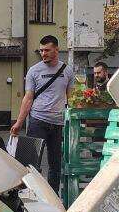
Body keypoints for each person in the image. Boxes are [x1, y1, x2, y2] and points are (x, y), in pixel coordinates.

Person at [10, 35, 76, 194]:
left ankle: (52, 196)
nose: (43, 53)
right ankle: (31, 194)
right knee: (32, 163)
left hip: (58, 123)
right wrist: (19, 122)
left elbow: (71, 97)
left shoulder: (67, 70)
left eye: (47, 50)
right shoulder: (34, 71)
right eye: (41, 50)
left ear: (56, 50)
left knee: (55, 164)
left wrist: (73, 119)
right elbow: (28, 98)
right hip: (37, 120)